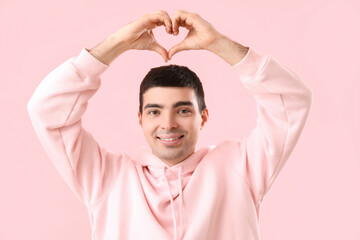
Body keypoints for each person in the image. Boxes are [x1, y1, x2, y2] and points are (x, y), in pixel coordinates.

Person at [27, 9, 312, 240]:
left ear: (203, 117)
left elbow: (291, 99)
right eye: (154, 112)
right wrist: (117, 44)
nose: (168, 124)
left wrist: (218, 44)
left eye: (183, 110)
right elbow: (47, 110)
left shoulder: (241, 167)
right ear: (140, 119)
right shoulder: (107, 177)